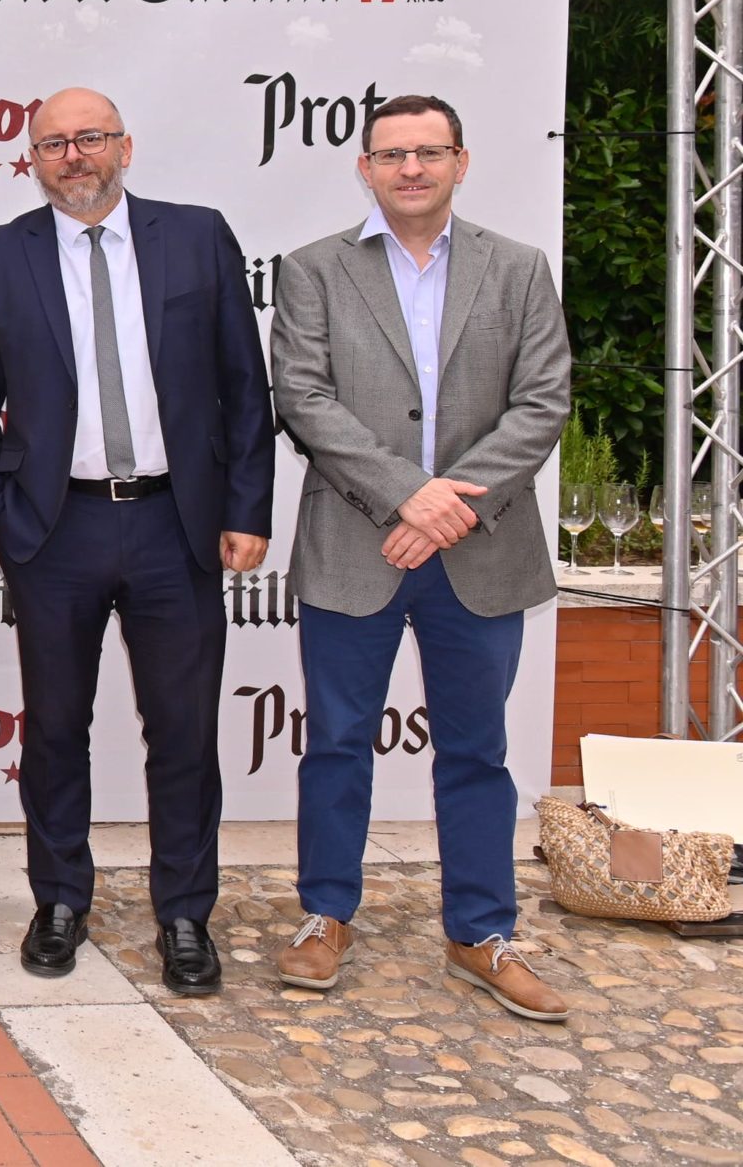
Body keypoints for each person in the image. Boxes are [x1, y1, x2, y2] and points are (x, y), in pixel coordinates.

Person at [0, 86, 274, 996]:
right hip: (56, 530)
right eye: (53, 144)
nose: (73, 156)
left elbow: (244, 386)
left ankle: (183, 914)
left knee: (181, 730)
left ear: (125, 146)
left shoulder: (197, 235)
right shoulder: (0, 254)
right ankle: (59, 900)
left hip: (178, 523)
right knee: (55, 728)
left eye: (89, 138)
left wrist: (246, 507)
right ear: (32, 159)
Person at [268, 94, 573, 1020]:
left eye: (428, 152)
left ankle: (481, 932)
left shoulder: (518, 269)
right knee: (336, 747)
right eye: (392, 154)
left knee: (478, 753)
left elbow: (544, 400)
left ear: (460, 162)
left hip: (480, 551)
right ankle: (325, 917)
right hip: (357, 543)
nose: (410, 168)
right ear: (364, 167)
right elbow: (306, 399)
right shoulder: (314, 270)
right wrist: (409, 494)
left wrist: (447, 509)